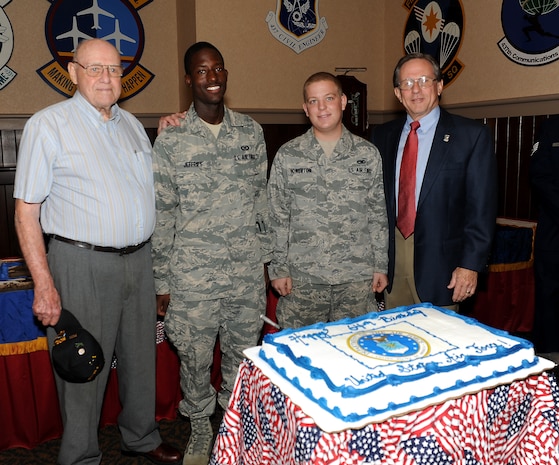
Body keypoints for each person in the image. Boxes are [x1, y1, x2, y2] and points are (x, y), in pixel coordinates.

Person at [13, 39, 182, 465]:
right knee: (83, 364)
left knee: (142, 357)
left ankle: (140, 437)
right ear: (73, 73)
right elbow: (25, 213)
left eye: (114, 69)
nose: (107, 78)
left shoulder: (129, 124)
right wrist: (44, 285)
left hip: (139, 261)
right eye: (95, 69)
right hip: (81, 263)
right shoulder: (47, 126)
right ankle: (81, 456)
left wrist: (163, 138)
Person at [151, 41, 271, 465]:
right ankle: (200, 428)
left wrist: (268, 263)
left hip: (243, 275)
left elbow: (262, 204)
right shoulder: (170, 140)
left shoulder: (251, 132)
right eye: (202, 71)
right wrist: (161, 281)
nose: (213, 77)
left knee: (242, 358)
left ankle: (234, 427)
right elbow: (162, 214)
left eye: (218, 68)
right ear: (188, 79)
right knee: (195, 359)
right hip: (192, 280)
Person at [371, 53, 497, 310]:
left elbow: (481, 209)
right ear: (397, 93)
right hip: (392, 267)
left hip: (445, 270)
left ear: (439, 86)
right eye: (407, 83)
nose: (415, 89)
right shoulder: (382, 136)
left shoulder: (471, 136)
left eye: (423, 80)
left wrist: (470, 265)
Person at [267, 71, 389, 329]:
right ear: (305, 108)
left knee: (356, 352)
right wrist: (278, 269)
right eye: (313, 101)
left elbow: (377, 214)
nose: (321, 107)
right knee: (299, 355)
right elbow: (277, 216)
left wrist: (381, 265)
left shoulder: (367, 154)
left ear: (343, 102)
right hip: (302, 281)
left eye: (329, 98)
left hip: (356, 279)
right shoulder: (288, 154)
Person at [530, 115, 559, 363]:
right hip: (554, 232)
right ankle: (550, 359)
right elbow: (539, 176)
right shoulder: (551, 127)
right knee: (549, 295)